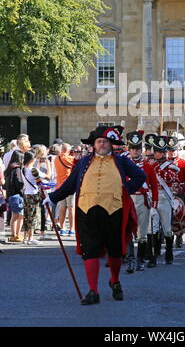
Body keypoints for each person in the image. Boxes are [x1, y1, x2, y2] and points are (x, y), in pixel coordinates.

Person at [43, 125, 146, 305]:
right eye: (99, 141)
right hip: (86, 210)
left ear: (111, 143)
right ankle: (93, 291)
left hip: (114, 210)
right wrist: (52, 198)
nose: (102, 144)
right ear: (93, 144)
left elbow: (140, 177)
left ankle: (114, 280)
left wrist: (125, 190)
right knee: (89, 250)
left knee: (115, 250)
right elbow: (70, 184)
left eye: (105, 141)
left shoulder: (121, 161)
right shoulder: (83, 162)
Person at [125, 131, 158, 271]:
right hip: (128, 199)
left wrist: (155, 202)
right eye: (132, 148)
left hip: (142, 200)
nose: (135, 151)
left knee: (142, 232)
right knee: (128, 230)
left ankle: (141, 259)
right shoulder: (124, 164)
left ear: (141, 149)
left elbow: (154, 185)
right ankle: (131, 259)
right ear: (129, 149)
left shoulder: (147, 166)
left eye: (137, 148)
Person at [150, 135, 181, 265]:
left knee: (167, 229)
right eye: (158, 151)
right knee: (153, 227)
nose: (159, 154)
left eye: (162, 152)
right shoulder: (150, 165)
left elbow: (173, 180)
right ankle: (153, 254)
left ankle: (169, 254)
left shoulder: (171, 167)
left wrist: (158, 169)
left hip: (164, 198)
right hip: (153, 197)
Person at [167, 137, 185, 248]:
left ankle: (179, 236)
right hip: (167, 193)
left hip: (180, 192)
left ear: (177, 150)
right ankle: (167, 235)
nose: (171, 153)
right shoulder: (163, 163)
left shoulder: (183, 164)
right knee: (167, 215)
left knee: (180, 215)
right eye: (169, 150)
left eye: (173, 150)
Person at [22, 151, 46, 245]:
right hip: (33, 194)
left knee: (27, 216)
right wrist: (48, 164)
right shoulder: (33, 170)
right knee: (33, 216)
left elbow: (35, 179)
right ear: (32, 159)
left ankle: (26, 237)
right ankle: (31, 238)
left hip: (26, 193)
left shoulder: (23, 169)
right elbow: (46, 177)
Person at [54, 143, 76, 236]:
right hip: (69, 186)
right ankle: (72, 229)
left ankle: (62, 228)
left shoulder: (56, 158)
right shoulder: (70, 159)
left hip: (60, 186)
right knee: (71, 209)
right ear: (69, 150)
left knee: (62, 208)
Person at [4, 150, 25, 242]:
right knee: (18, 216)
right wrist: (24, 187)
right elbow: (19, 183)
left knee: (14, 216)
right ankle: (15, 235)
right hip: (17, 195)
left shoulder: (9, 168)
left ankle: (15, 234)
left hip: (11, 195)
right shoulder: (17, 169)